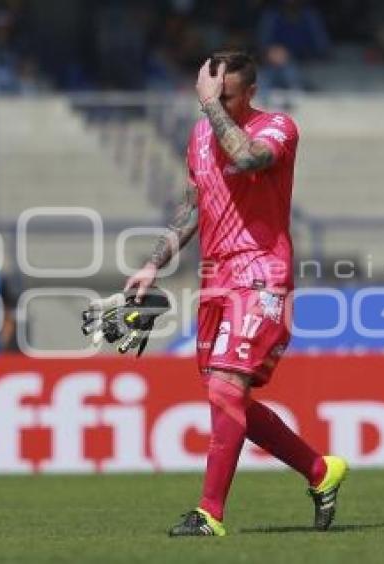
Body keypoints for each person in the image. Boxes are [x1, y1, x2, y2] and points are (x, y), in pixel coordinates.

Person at [124, 50, 348, 537]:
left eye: (225, 96)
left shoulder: (278, 127)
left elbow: (248, 157)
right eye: (210, 95)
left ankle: (209, 515)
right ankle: (319, 471)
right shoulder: (200, 134)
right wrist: (151, 265)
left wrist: (210, 107)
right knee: (228, 397)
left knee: (227, 388)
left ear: (249, 93)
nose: (213, 104)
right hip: (216, 276)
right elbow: (191, 208)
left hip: (262, 272)